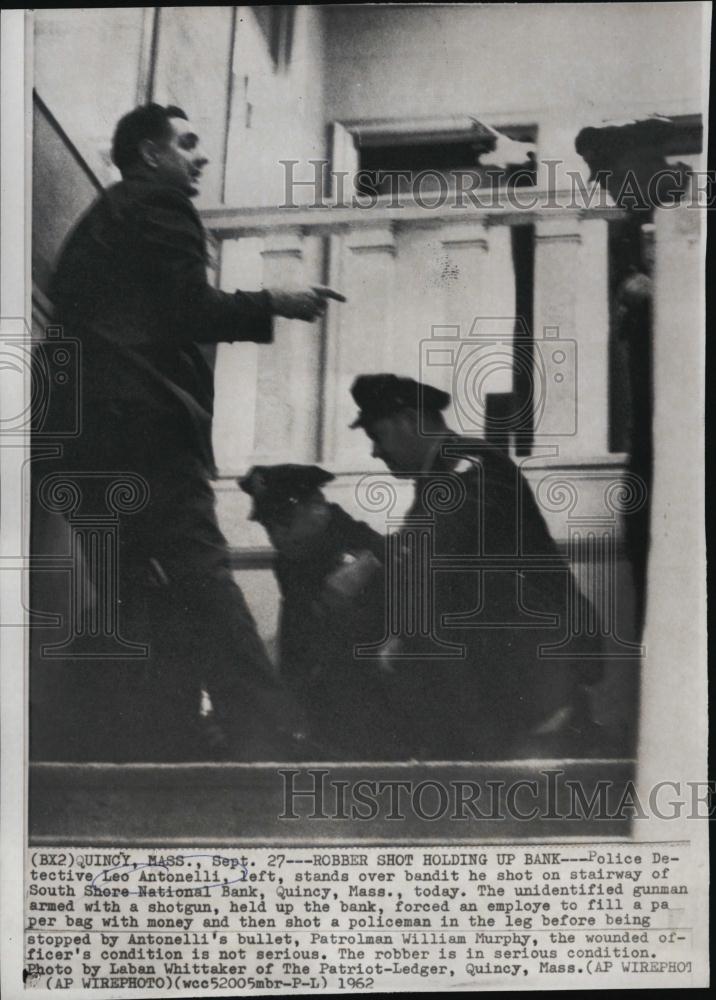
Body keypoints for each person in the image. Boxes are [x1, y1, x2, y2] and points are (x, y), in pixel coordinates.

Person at [31, 103, 344, 761]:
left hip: (73, 440)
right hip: (138, 432)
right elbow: (188, 308)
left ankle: (151, 736)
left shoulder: (101, 222)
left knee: (134, 588)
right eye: (188, 144)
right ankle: (270, 730)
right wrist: (276, 301)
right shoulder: (160, 203)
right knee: (197, 568)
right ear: (150, 154)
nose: (199, 157)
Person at [348, 373, 604, 760]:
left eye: (376, 434)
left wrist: (377, 579)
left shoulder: (473, 468)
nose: (374, 451)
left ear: (407, 420)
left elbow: (439, 548)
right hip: (510, 666)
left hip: (537, 665)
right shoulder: (444, 475)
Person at [239, 464, 411, 759]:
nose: (277, 535)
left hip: (373, 718)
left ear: (318, 508)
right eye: (268, 526)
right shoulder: (292, 561)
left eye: (283, 520)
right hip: (321, 715)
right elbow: (296, 638)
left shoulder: (362, 551)